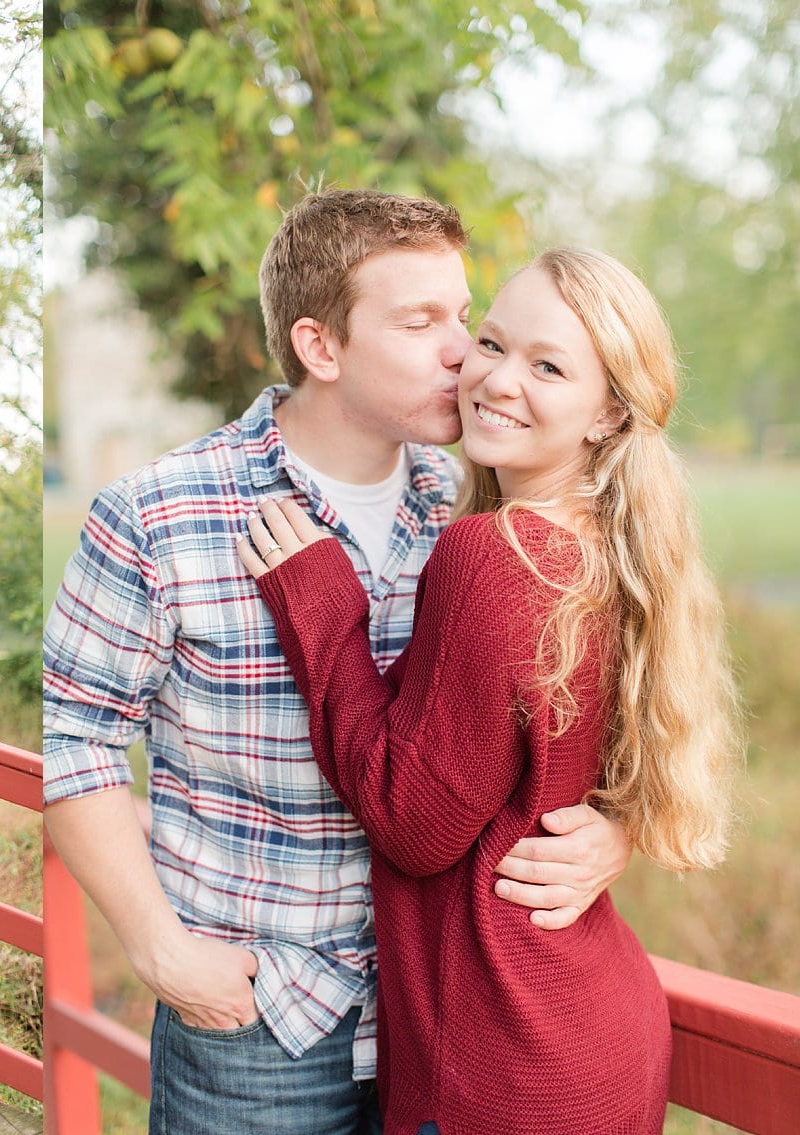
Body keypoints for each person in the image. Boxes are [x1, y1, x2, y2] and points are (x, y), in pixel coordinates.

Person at [43, 189, 634, 1135]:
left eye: (462, 316)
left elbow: (595, 701)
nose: (463, 352)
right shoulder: (158, 513)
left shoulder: (475, 504)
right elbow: (72, 735)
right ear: (321, 348)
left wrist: (612, 826)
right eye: (419, 321)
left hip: (442, 1022)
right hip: (259, 1020)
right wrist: (159, 949)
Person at [238, 247, 740, 1133]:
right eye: (493, 343)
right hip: (589, 1028)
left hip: (502, 1059)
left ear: (608, 410)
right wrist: (616, 827)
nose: (496, 379)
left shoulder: (491, 555)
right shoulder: (618, 553)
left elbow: (412, 822)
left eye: (547, 366)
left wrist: (324, 613)